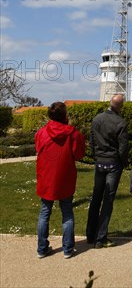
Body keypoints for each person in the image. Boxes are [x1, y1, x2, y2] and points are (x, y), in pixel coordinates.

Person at [35, 101, 85, 259]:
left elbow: (38, 149)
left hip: (46, 176)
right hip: (65, 176)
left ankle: (42, 248)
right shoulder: (73, 133)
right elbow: (79, 154)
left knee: (44, 212)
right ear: (64, 116)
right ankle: (68, 249)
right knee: (67, 212)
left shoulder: (41, 133)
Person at [86, 94, 128, 249]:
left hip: (100, 162)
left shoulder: (97, 119)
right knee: (108, 200)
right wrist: (123, 162)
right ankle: (100, 237)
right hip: (113, 163)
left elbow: (92, 140)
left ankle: (90, 234)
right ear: (120, 106)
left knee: (96, 198)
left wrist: (96, 156)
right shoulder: (120, 123)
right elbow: (123, 147)